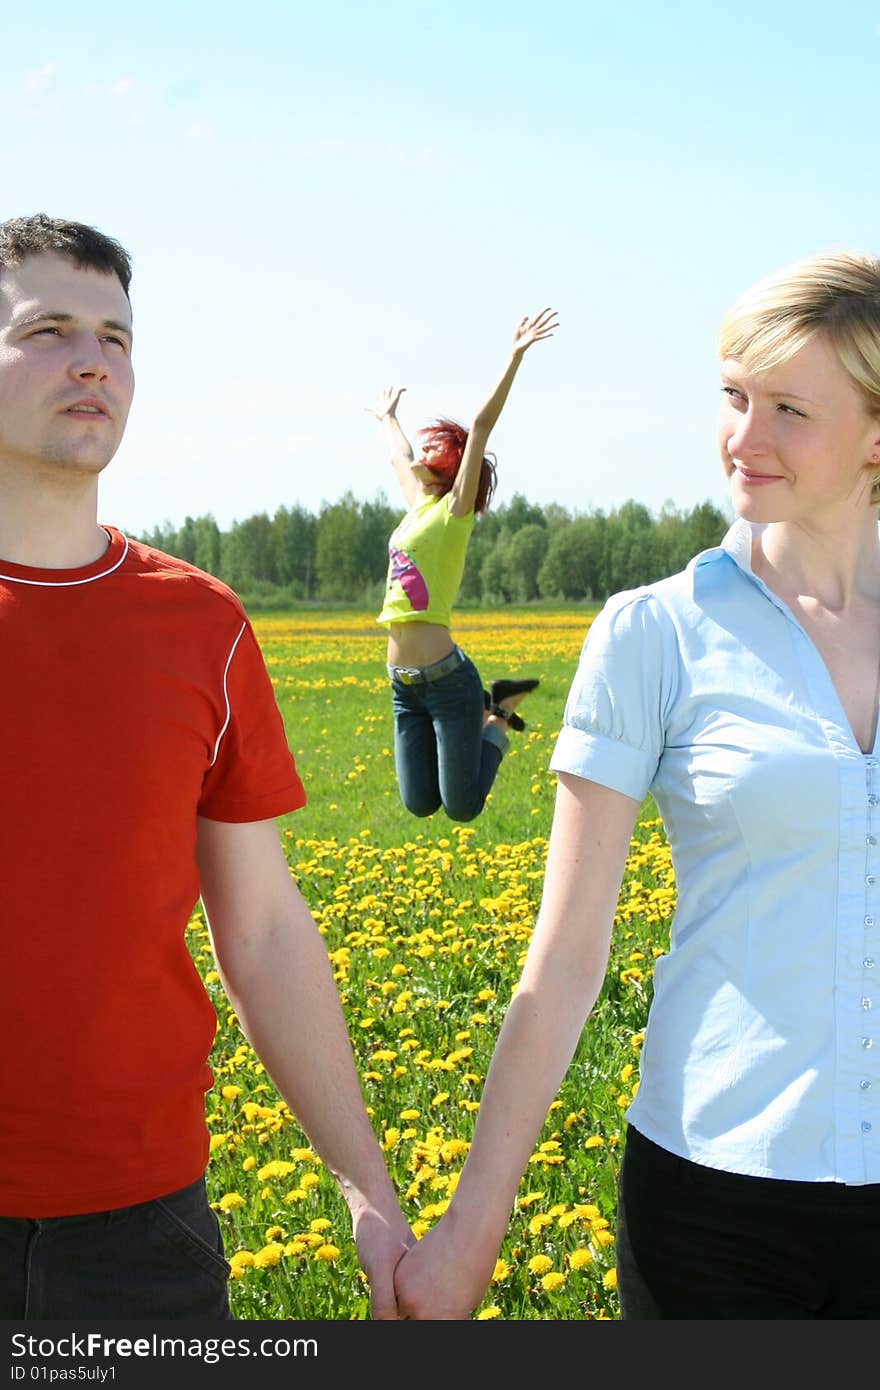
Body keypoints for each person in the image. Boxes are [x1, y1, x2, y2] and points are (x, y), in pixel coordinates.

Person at [393, 249, 880, 1320]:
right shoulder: (656, 630)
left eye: (788, 408)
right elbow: (566, 956)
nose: (742, 439)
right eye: (732, 396)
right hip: (716, 1206)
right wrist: (472, 1225)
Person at [0, 214, 414, 1320]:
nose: (94, 360)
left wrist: (364, 1186)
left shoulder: (202, 626)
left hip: (146, 1228)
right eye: (47, 329)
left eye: (117, 337)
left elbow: (265, 927)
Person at [367, 308, 556, 822]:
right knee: (421, 802)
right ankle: (491, 706)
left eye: (435, 446)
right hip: (403, 684)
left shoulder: (454, 513)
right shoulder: (419, 508)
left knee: (463, 806)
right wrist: (388, 419)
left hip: (449, 682)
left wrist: (514, 357)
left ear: (453, 463)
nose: (423, 450)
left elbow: (480, 425)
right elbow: (397, 456)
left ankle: (498, 711)